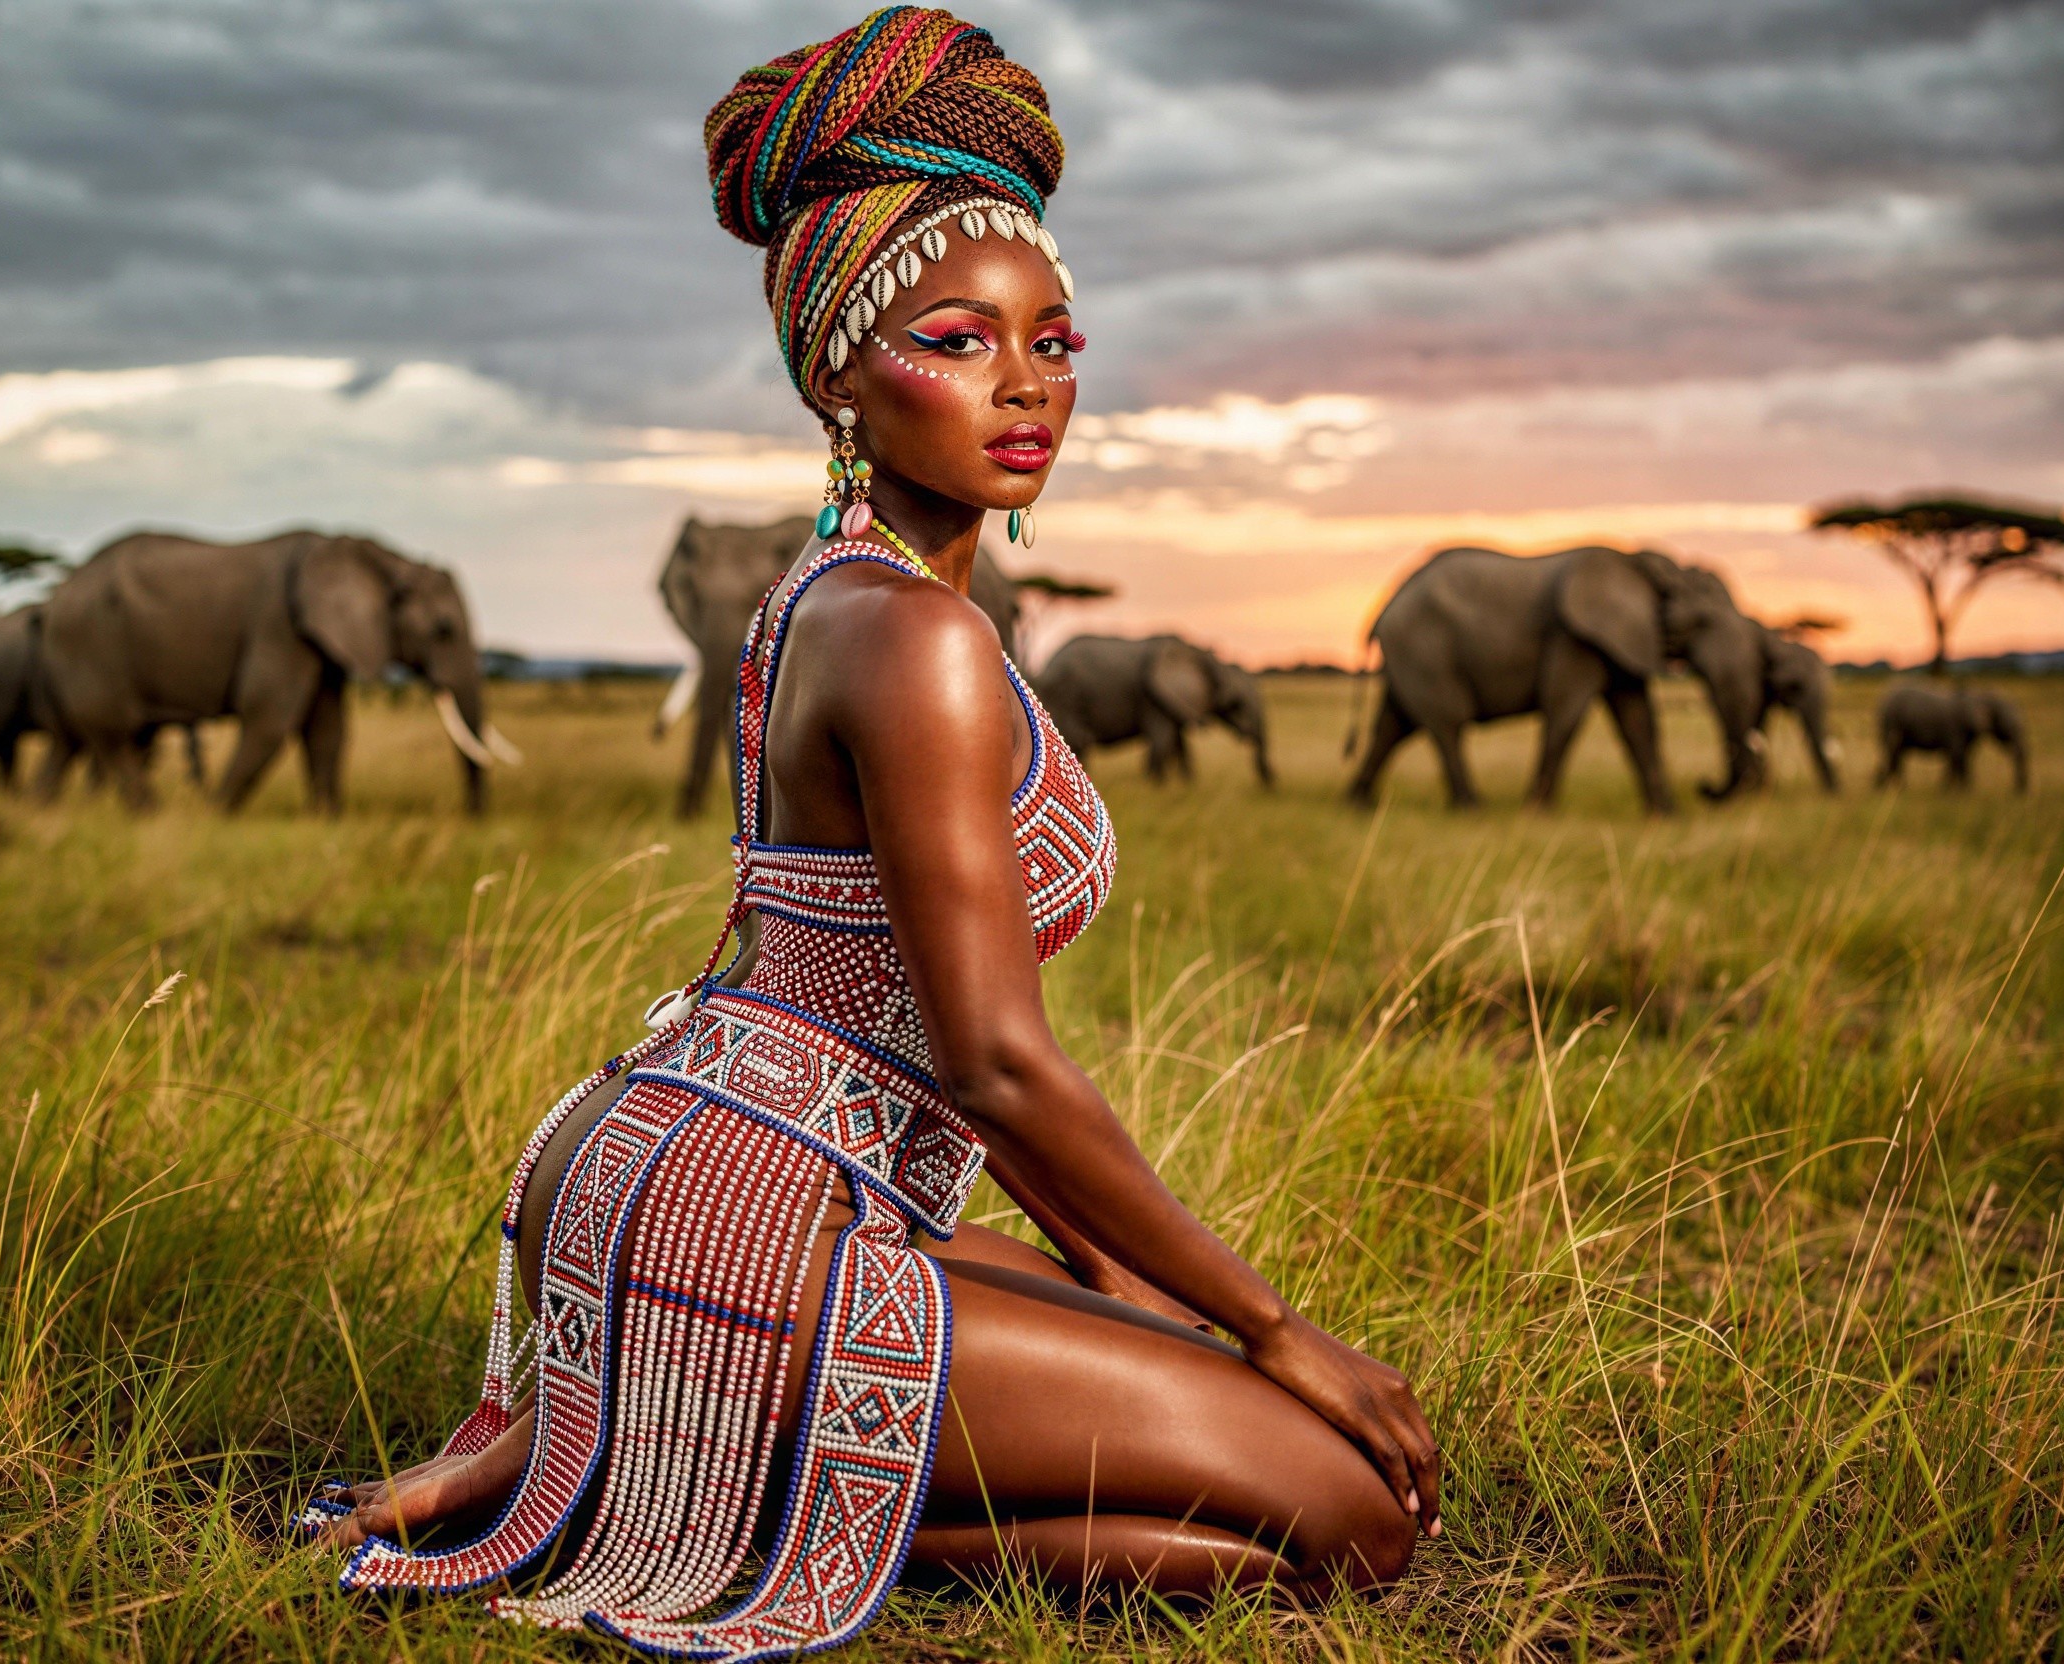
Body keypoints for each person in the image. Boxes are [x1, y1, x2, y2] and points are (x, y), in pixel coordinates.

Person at [305, 9, 1439, 1654]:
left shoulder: (834, 600)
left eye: (1054, 339)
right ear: (839, 367)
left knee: (1208, 1379)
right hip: (743, 1217)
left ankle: (644, 1446)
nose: (1028, 382)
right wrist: (1276, 1328)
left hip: (700, 1174)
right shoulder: (916, 640)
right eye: (960, 340)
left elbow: (913, 1027)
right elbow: (990, 1062)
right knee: (1348, 1517)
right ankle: (744, 1502)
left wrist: (1158, 1295)